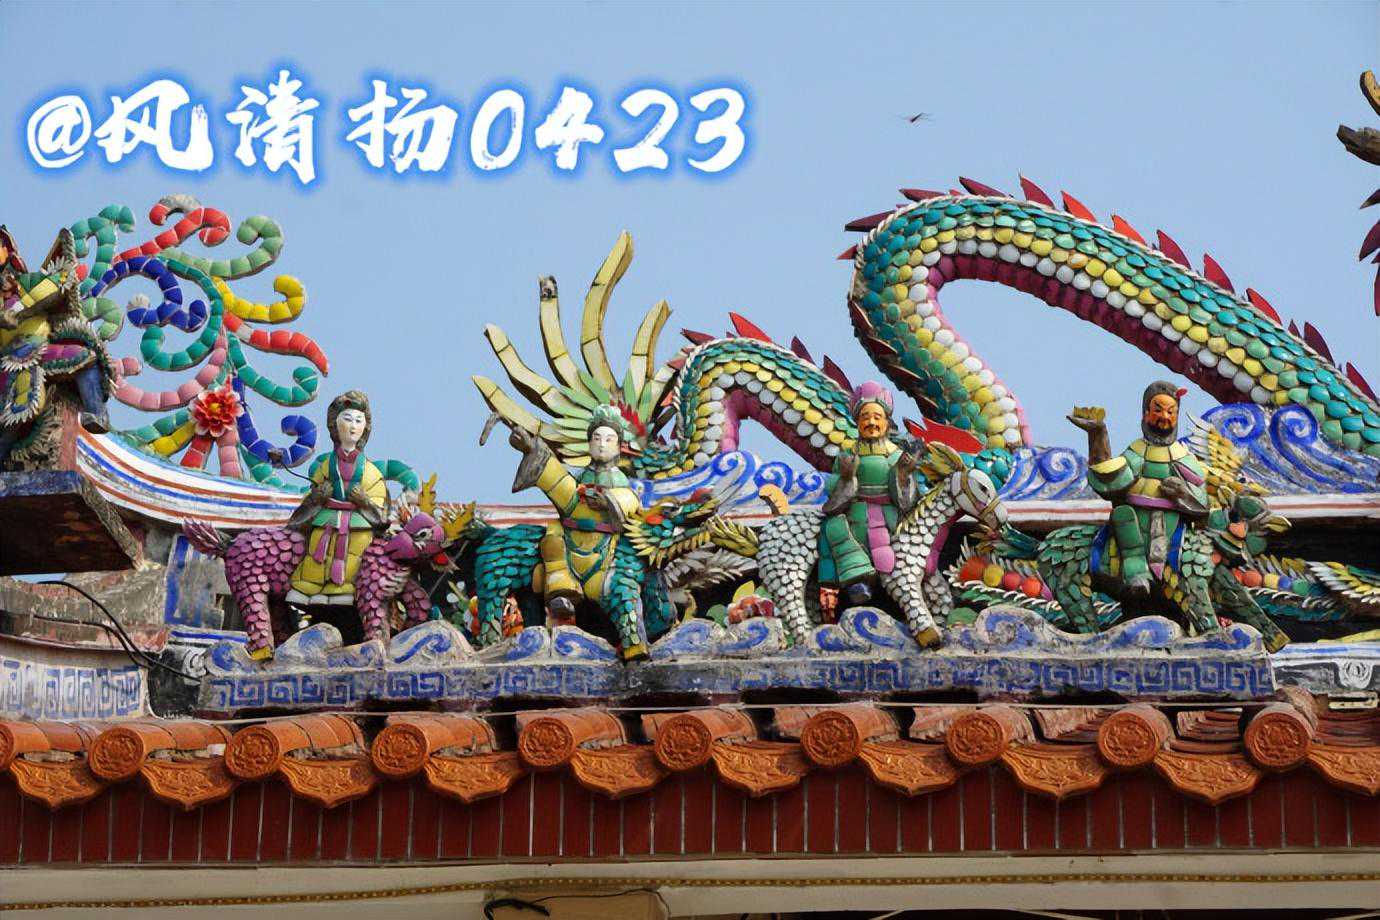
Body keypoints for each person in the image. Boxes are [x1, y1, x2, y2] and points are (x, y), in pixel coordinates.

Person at [508, 404, 646, 659]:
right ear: (588, 444)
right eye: (596, 438)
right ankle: (560, 593)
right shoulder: (578, 479)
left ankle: (634, 646)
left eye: (609, 439)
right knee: (551, 542)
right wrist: (530, 448)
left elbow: (632, 504)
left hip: (606, 554)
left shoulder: (626, 484)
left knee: (623, 589)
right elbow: (561, 486)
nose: (602, 445)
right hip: (570, 547)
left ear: (619, 446)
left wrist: (609, 502)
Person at [1073, 381, 1209, 597]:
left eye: (1171, 412)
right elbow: (1114, 478)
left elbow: (1202, 499)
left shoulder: (1184, 457)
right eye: (1158, 410)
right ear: (1146, 413)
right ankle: (1136, 573)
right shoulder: (1136, 451)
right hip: (1134, 516)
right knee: (1122, 516)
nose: (1164, 417)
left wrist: (1182, 492)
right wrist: (1098, 435)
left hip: (1170, 521)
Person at [820, 382, 921, 607]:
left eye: (877, 417)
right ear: (857, 422)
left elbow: (909, 500)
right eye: (865, 417)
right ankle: (856, 582)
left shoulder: (897, 456)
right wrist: (847, 477)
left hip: (888, 514)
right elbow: (833, 490)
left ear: (886, 422)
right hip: (856, 513)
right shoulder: (848, 455)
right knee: (835, 529)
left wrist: (903, 474)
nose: (872, 423)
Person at [286, 390, 388, 604]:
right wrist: (317, 497)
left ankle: (344, 586)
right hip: (327, 520)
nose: (353, 426)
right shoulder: (326, 465)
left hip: (358, 524)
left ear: (366, 427)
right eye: (347, 419)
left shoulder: (371, 472)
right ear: (334, 424)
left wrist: (364, 501)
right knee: (317, 547)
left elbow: (381, 511)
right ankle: (310, 585)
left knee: (356, 549)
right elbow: (310, 498)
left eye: (358, 421)